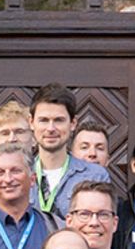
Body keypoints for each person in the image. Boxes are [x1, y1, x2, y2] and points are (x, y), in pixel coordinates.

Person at [25, 84, 114, 220]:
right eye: (43, 120)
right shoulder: (19, 174)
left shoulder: (95, 176)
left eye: (59, 120)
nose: (50, 128)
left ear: (73, 123)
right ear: (31, 122)